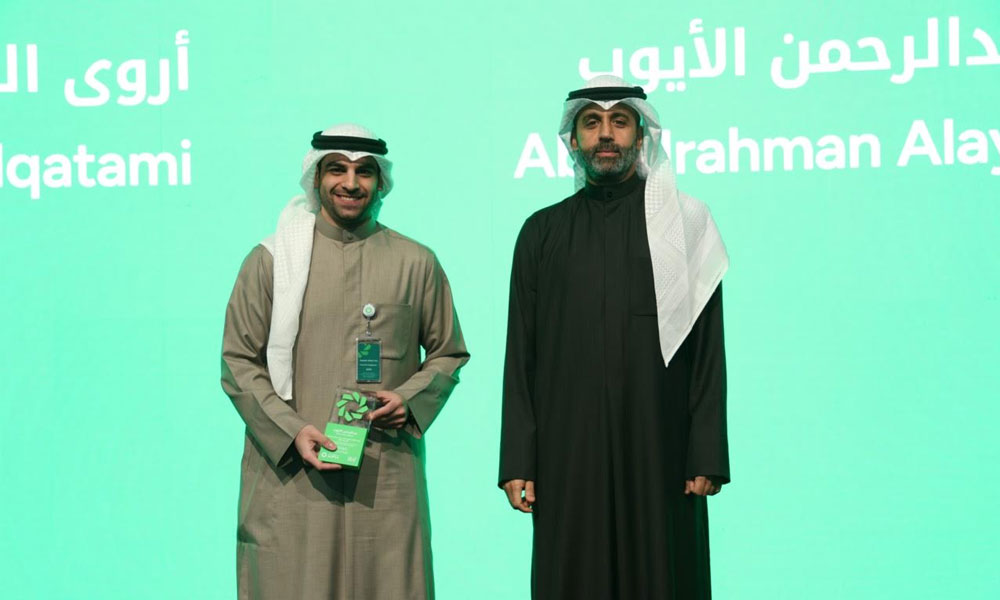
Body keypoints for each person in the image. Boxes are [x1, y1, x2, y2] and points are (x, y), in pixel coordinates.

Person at [499, 75, 731, 599]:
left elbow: (707, 352)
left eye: (619, 122)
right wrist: (518, 460)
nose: (606, 134)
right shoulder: (541, 233)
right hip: (567, 450)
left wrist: (706, 453)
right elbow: (521, 358)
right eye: (592, 123)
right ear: (574, 139)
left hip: (662, 446)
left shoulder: (687, 224)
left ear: (641, 135)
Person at [222, 123, 469, 600]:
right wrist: (292, 430)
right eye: (337, 169)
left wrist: (409, 399)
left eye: (364, 172)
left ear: (381, 182)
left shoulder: (416, 262)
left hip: (385, 479)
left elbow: (447, 352)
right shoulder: (270, 261)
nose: (350, 183)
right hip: (293, 476)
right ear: (316, 178)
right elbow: (238, 362)